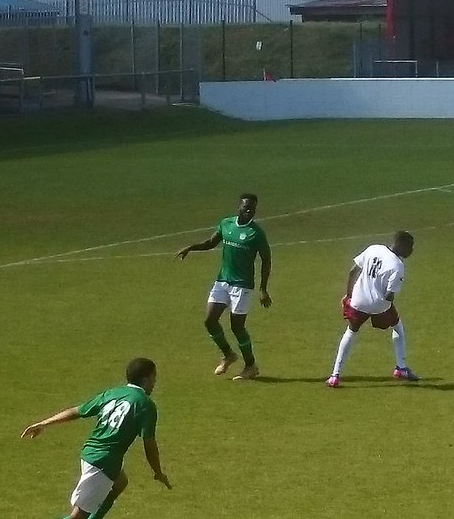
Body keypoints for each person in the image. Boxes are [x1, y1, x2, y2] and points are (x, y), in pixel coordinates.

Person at [21, 357, 170, 519]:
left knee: (120, 482)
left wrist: (43, 423)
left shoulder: (112, 393)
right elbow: (149, 445)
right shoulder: (146, 405)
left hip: (90, 453)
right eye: (154, 378)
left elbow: (76, 411)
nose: (155, 382)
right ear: (146, 379)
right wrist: (158, 472)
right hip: (105, 462)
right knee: (77, 517)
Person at [176, 193, 272, 380]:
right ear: (239, 207)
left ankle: (250, 365)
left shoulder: (256, 233)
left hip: (242, 285)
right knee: (209, 321)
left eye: (253, 208)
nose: (249, 211)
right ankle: (228, 354)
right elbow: (210, 243)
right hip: (222, 281)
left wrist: (263, 289)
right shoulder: (226, 224)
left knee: (237, 327)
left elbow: (266, 260)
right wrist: (191, 247)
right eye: (246, 207)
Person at [326, 230, 418, 388]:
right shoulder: (397, 265)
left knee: (351, 331)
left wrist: (348, 295)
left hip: (358, 301)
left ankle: (335, 375)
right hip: (379, 306)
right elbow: (389, 296)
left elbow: (353, 271)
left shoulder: (374, 248)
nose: (411, 250)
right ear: (401, 245)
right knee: (397, 327)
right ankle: (401, 368)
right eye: (410, 247)